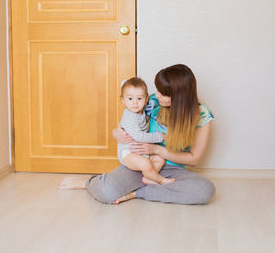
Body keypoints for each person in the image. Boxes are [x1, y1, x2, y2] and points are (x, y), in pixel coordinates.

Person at [58, 64, 215, 205]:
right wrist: (116, 133)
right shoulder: (152, 102)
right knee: (107, 191)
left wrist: (157, 150)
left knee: (205, 190)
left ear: (180, 96)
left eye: (164, 93)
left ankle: (137, 192)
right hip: (142, 162)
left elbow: (194, 159)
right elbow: (130, 124)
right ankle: (93, 182)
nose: (157, 94)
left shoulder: (201, 115)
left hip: (173, 169)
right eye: (158, 89)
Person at [117, 77, 175, 185]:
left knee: (159, 160)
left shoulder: (140, 112)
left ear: (146, 99)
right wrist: (159, 136)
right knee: (146, 164)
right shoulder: (130, 117)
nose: (135, 103)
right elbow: (139, 136)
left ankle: (149, 177)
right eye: (130, 99)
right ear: (123, 100)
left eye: (139, 99)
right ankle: (160, 180)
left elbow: (144, 122)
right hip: (128, 153)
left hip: (140, 151)